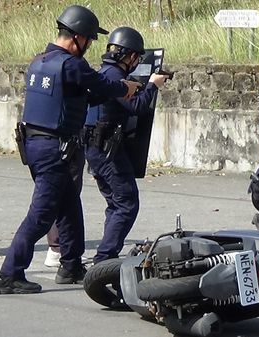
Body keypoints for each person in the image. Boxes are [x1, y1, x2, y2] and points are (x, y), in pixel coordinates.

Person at [0, 5, 142, 295]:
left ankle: (71, 265)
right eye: (89, 40)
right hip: (52, 148)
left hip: (36, 145)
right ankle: (8, 274)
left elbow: (80, 97)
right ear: (78, 37)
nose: (89, 46)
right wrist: (126, 88)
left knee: (69, 207)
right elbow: (100, 85)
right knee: (42, 213)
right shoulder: (71, 64)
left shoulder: (40, 61)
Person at [85, 26, 168, 265]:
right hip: (106, 148)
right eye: (136, 57)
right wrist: (153, 85)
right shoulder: (112, 77)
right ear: (129, 55)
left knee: (115, 203)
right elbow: (137, 107)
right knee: (127, 202)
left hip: (97, 146)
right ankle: (105, 258)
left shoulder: (104, 72)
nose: (136, 62)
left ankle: (105, 255)